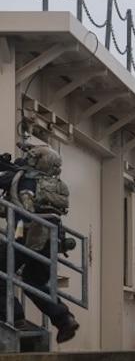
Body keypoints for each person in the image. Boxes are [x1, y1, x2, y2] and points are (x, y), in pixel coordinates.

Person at [0, 145, 79, 343]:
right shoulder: (53, 183)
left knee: (0, 273)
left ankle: (15, 317)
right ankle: (63, 319)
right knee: (33, 281)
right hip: (50, 239)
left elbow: (4, 181)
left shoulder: (19, 177)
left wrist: (10, 168)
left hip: (22, 233)